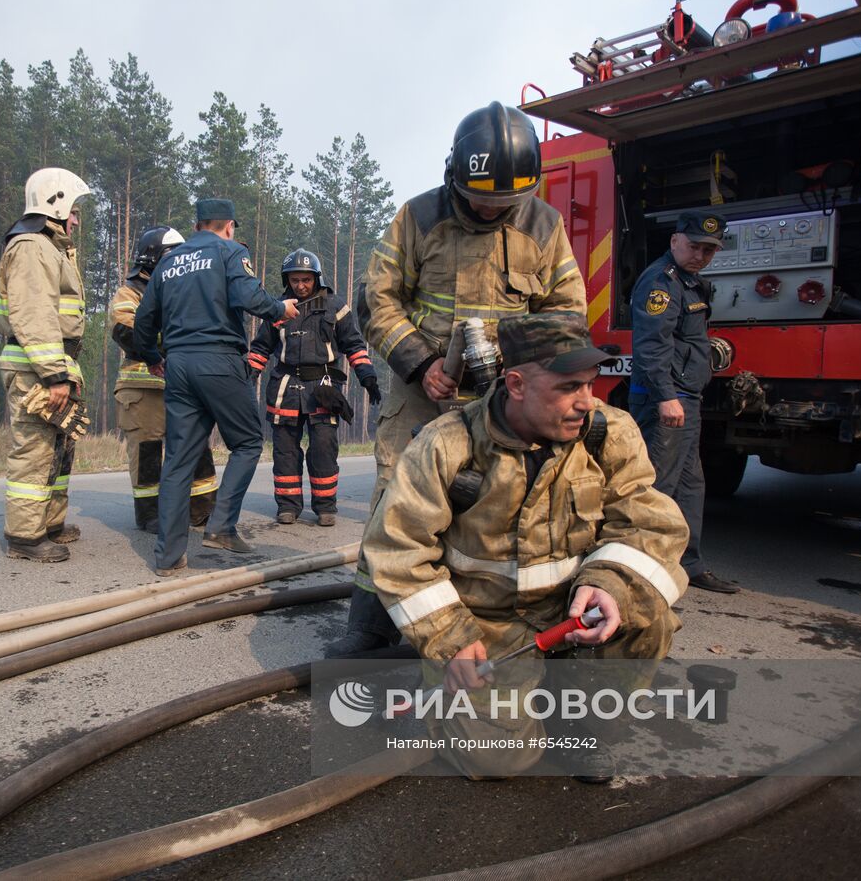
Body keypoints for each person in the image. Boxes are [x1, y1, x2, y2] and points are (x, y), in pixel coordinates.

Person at [362, 312, 688, 779]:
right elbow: (397, 550)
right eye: (568, 387)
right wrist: (449, 639)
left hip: (572, 619)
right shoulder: (448, 446)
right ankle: (440, 700)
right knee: (499, 760)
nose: (586, 403)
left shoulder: (608, 433)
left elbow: (649, 522)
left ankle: (583, 728)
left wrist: (610, 586)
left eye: (590, 385)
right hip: (485, 630)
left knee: (648, 616)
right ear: (515, 384)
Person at [328, 101, 588, 656]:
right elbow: (375, 300)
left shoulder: (544, 225)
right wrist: (420, 364)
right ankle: (369, 624)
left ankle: (468, 618)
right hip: (424, 393)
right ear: (454, 174)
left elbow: (566, 314)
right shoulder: (419, 217)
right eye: (481, 200)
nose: (492, 211)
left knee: (501, 502)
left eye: (506, 203)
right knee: (394, 499)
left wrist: (520, 370)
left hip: (504, 397)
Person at [132, 198, 298, 575]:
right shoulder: (229, 251)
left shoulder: (169, 262)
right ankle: (221, 526)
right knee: (248, 441)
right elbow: (249, 297)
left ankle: (169, 557)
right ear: (228, 226)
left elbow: (144, 320)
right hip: (219, 361)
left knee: (177, 460)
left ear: (198, 224)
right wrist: (279, 309)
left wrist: (151, 356)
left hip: (178, 365)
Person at [629, 211, 740, 594]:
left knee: (691, 485)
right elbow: (650, 346)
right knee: (657, 487)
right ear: (675, 240)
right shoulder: (661, 282)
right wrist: (666, 397)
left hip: (685, 400)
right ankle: (639, 574)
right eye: (694, 246)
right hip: (667, 401)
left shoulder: (690, 283)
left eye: (709, 249)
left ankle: (688, 564)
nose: (701, 254)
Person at [0, 167, 91, 562]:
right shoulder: (33, 246)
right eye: (74, 210)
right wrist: (54, 374)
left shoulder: (51, 249)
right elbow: (34, 314)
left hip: (53, 363)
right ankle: (25, 537)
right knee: (35, 450)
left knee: (59, 447)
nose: (77, 219)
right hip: (36, 367)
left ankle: (49, 523)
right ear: (57, 203)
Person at [248, 249, 381, 527]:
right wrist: (247, 376)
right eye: (295, 280)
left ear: (316, 278)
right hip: (285, 386)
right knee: (285, 449)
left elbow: (354, 345)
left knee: (323, 446)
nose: (301, 285)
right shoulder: (278, 308)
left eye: (306, 280)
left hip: (323, 387)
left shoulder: (335, 306)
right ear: (288, 280)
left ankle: (325, 506)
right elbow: (261, 347)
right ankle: (288, 505)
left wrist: (366, 375)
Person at [110, 225, 219, 533]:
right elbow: (125, 330)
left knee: (197, 445)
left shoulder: (187, 288)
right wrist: (177, 340)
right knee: (147, 452)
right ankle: (150, 513)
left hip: (184, 384)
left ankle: (203, 508)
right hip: (143, 387)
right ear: (155, 258)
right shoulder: (130, 291)